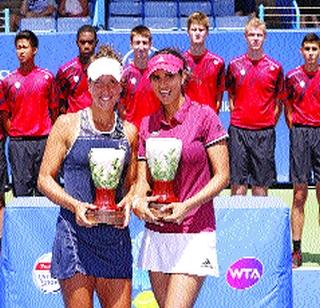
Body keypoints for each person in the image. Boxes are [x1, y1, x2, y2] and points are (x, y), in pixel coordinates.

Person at [37, 45, 137, 308]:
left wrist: (127, 202)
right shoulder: (66, 125)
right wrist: (76, 206)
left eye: (112, 83)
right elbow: (44, 179)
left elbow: (134, 184)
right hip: (74, 235)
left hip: (114, 239)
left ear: (121, 86)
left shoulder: (129, 132)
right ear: (89, 86)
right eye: (98, 83)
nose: (105, 90)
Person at [133, 48, 229, 307]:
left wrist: (187, 206)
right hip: (157, 232)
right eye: (156, 78)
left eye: (170, 76)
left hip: (194, 231)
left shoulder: (205, 116)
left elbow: (222, 176)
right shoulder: (147, 124)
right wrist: (139, 201)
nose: (163, 85)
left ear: (183, 76)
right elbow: (143, 180)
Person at [226, 17, 284, 197]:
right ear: (245, 36)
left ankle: (259, 226)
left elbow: (279, 103)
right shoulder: (235, 65)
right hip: (238, 132)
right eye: (252, 35)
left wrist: (266, 123)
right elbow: (231, 95)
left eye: (259, 35)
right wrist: (240, 118)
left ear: (265, 37)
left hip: (264, 134)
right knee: (238, 187)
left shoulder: (275, 68)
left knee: (260, 188)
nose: (255, 39)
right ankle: (236, 226)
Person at [0, 30, 58, 197]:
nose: (21, 51)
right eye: (18, 48)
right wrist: (16, 132)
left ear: (34, 50)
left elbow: (54, 109)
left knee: (44, 191)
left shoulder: (47, 78)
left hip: (43, 141)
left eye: (25, 47)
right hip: (19, 144)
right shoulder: (8, 81)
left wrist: (49, 134)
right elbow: (4, 113)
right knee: (21, 192)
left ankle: (43, 225)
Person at [285, 33, 320, 268]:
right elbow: (287, 107)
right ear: (300, 51)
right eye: (307, 48)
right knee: (299, 194)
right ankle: (297, 251)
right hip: (300, 134)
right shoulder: (292, 76)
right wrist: (297, 129)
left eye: (314, 49)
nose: (310, 53)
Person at [183, 12, 225, 114]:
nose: (197, 33)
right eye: (194, 29)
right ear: (188, 32)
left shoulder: (218, 63)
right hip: (185, 120)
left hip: (208, 119)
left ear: (207, 33)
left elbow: (219, 95)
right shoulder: (181, 61)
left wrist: (213, 115)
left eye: (201, 30)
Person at [121, 25, 160, 128]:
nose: (141, 47)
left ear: (150, 45)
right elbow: (120, 103)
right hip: (131, 130)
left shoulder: (157, 73)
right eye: (137, 43)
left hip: (154, 129)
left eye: (145, 43)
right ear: (131, 45)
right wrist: (127, 123)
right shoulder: (125, 74)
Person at [56, 25, 98, 114]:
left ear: (96, 43)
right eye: (82, 42)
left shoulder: (105, 69)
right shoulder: (66, 71)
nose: (86, 46)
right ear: (77, 43)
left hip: (99, 123)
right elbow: (60, 104)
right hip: (74, 123)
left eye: (90, 42)